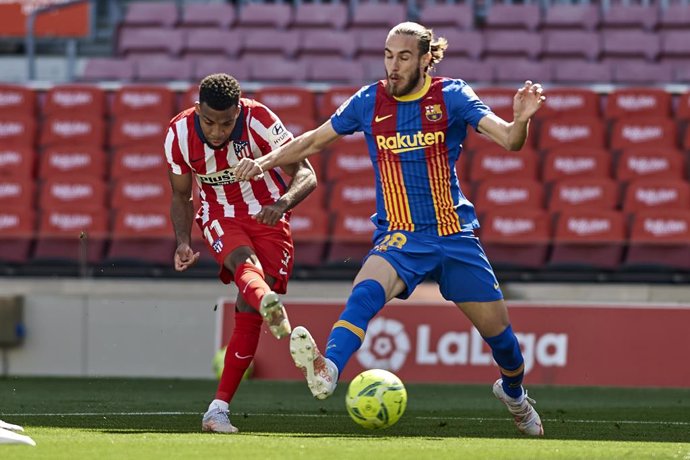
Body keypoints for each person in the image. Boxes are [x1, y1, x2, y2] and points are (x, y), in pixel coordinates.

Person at [235, 22, 546, 436]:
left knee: (503, 342)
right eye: (387, 55)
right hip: (400, 234)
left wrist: (520, 120)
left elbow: (509, 141)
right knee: (365, 292)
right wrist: (265, 162)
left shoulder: (452, 95)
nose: (392, 65)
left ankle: (514, 394)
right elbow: (312, 141)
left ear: (424, 60)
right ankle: (327, 369)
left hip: (454, 235)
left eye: (402, 57)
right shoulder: (369, 100)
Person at [165, 73, 317, 434]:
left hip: (268, 214)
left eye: (226, 123)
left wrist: (281, 203)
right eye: (208, 121)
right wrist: (183, 241)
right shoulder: (179, 135)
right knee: (243, 265)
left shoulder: (261, 120)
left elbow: (306, 174)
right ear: (197, 109)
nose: (217, 132)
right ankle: (270, 304)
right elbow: (181, 195)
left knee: (247, 309)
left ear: (239, 111)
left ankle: (217, 410)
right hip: (218, 215)